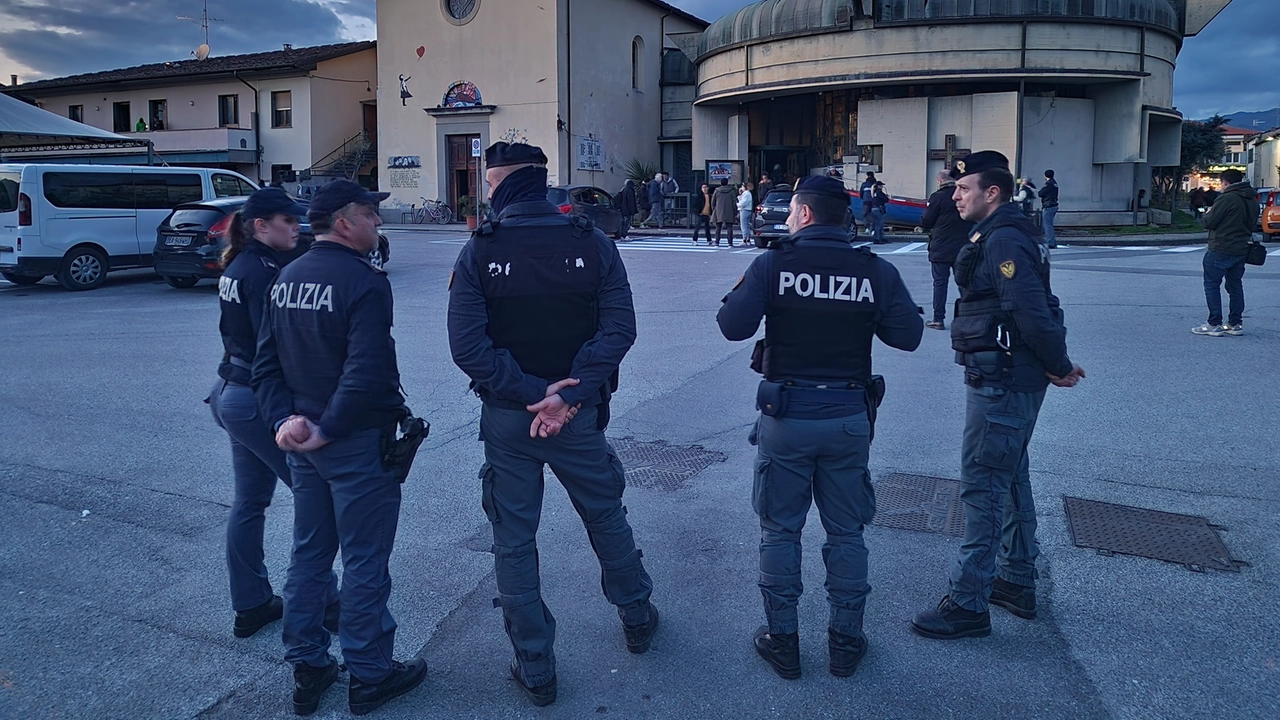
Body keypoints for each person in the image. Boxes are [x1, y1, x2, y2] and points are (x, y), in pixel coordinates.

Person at [447, 142, 658, 707]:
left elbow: (468, 348)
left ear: (503, 185)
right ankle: (637, 615)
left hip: (511, 420)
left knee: (513, 540)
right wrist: (566, 397)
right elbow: (619, 330)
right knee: (606, 516)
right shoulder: (591, 243)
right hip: (577, 416)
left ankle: (535, 665)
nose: (488, 192)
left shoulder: (479, 252)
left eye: (490, 183)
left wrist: (529, 393)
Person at [717, 175, 923, 680]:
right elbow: (909, 336)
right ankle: (845, 642)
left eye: (791, 211)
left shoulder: (773, 263)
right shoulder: (874, 271)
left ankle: (782, 640)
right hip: (849, 419)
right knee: (846, 533)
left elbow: (732, 325)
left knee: (780, 529)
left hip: (787, 417)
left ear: (805, 215)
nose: (787, 218)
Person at [252, 180, 427, 716]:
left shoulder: (286, 277)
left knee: (309, 555)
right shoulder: (365, 283)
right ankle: (370, 672)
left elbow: (265, 367)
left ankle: (308, 664)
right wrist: (327, 427)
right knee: (365, 560)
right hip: (351, 443)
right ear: (346, 222)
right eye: (373, 216)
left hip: (305, 442)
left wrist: (287, 421)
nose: (380, 225)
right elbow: (365, 372)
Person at [910, 151, 1084, 641]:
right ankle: (1015, 579)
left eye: (964, 188)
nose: (955, 194)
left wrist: (1057, 364)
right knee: (1009, 479)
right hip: (1011, 377)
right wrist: (1052, 363)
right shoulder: (1004, 232)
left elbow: (1030, 310)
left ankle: (968, 603)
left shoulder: (1003, 238)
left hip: (1003, 380)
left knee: (983, 486)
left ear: (993, 193)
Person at [208, 187, 338, 643]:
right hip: (253, 398)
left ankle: (251, 602)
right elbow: (277, 347)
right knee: (313, 496)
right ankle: (323, 600)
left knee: (250, 502)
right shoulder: (263, 271)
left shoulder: (239, 264)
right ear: (260, 225)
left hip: (230, 391)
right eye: (287, 221)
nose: (297, 228)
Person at [1193, 168, 1258, 337]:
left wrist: (1207, 214)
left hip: (1221, 247)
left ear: (1226, 182)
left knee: (1212, 285)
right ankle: (1235, 323)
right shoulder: (1252, 199)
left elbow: (1209, 222)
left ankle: (1214, 323)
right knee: (1235, 286)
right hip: (1241, 249)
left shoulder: (1227, 198)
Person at [920, 170, 973, 330]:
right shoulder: (965, 195)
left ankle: (938, 319)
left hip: (941, 247)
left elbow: (927, 221)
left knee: (940, 284)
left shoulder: (938, 197)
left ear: (939, 181)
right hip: (963, 247)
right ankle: (969, 318)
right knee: (965, 284)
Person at [712, 178, 738, 247]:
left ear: (721, 183)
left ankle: (717, 241)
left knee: (718, 227)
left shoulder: (717, 191)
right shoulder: (731, 191)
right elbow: (734, 202)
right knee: (729, 227)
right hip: (729, 211)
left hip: (718, 210)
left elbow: (713, 202)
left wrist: (714, 209)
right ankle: (730, 242)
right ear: (727, 183)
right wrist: (734, 211)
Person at [1039, 170, 1059, 248]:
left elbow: (1040, 193)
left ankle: (1050, 242)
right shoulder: (1055, 183)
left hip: (1048, 206)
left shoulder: (1048, 184)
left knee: (1047, 225)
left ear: (1045, 176)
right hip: (1053, 205)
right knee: (1049, 224)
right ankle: (1052, 242)